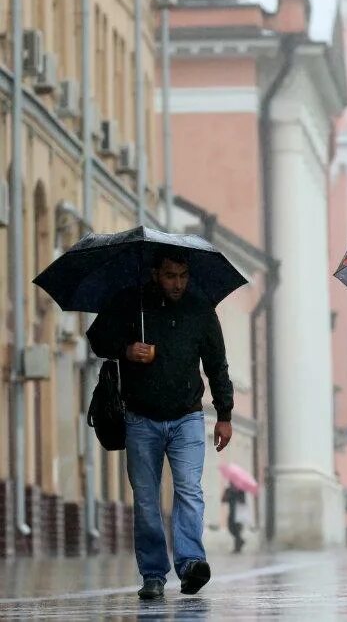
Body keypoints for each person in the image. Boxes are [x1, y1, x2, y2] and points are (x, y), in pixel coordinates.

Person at [87, 247, 234, 600]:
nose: (178, 283)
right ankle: (153, 573)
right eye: (171, 275)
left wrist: (225, 414)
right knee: (147, 499)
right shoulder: (130, 303)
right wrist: (126, 349)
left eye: (183, 276)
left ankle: (190, 564)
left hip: (187, 417)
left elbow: (217, 365)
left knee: (189, 491)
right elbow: (97, 339)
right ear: (155, 273)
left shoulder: (200, 310)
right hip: (140, 418)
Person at [222, 483, 247, 554]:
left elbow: (243, 501)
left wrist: (238, 496)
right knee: (231, 529)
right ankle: (241, 541)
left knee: (237, 530)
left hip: (238, 513)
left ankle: (237, 548)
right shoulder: (228, 490)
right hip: (231, 513)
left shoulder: (241, 490)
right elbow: (223, 500)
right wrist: (229, 495)